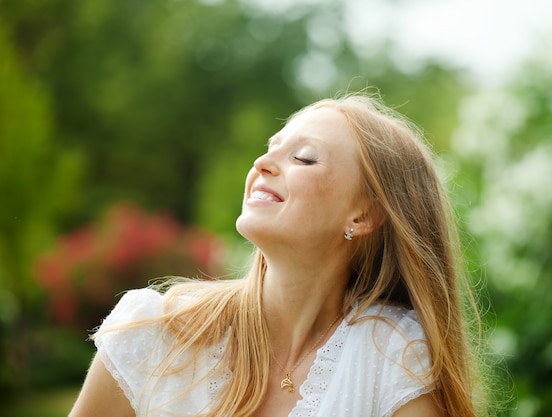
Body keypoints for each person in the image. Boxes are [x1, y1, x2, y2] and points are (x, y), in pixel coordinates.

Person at [69, 92, 486, 417]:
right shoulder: (153, 332)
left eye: (303, 157)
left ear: (364, 215)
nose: (263, 162)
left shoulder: (392, 354)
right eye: (271, 147)